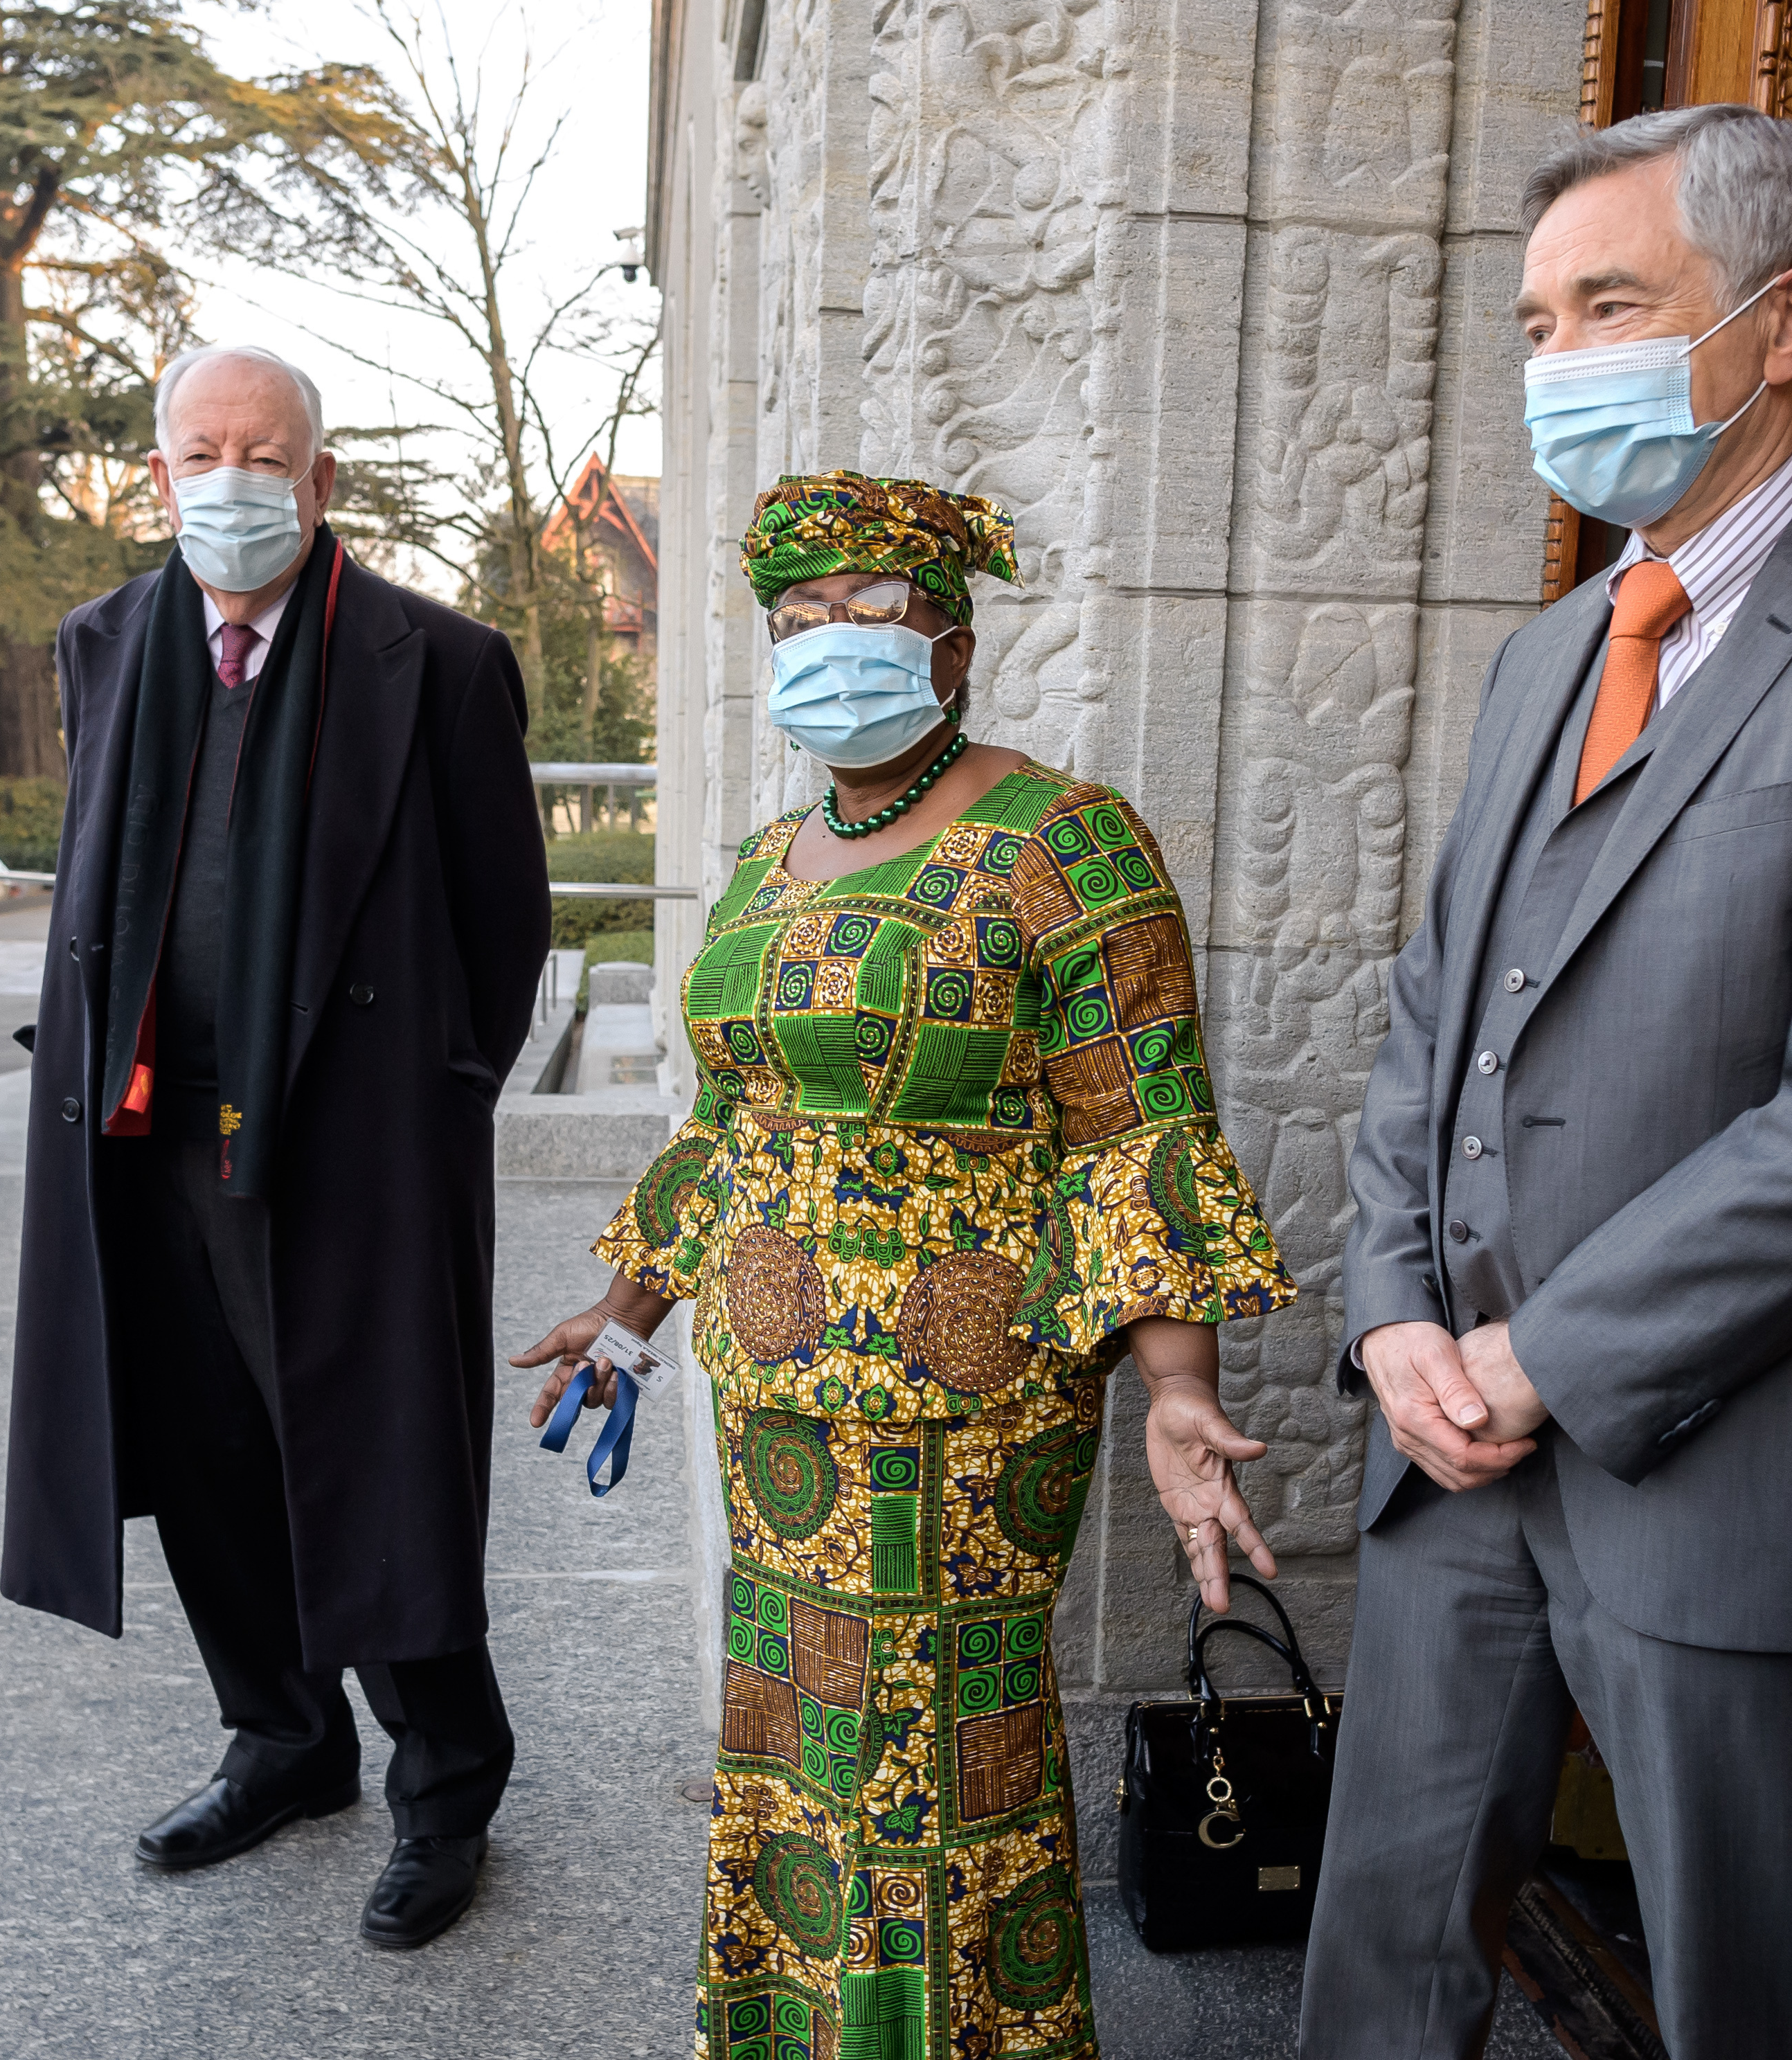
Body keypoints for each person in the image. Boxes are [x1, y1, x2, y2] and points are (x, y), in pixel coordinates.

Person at [1300, 106, 1792, 2057]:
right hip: (1450, 1450)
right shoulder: (1547, 650)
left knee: (1744, 2005)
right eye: (1528, 321)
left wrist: (1539, 1354)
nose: (1554, 359)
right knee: (1375, 1969)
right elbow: (1438, 1017)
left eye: (1606, 303)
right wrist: (1394, 1307)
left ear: (1778, 319)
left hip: (1740, 1456)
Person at [520, 471, 1296, 2060]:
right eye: (797, 622)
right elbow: (731, 1124)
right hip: (775, 1416)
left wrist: (1175, 1392)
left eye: (869, 615)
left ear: (951, 642)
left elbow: (1134, 1132)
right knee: (796, 1750)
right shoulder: (758, 865)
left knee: (939, 1767)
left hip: (968, 1411)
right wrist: (626, 1315)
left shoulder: (1064, 843)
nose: (831, 647)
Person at [0, 343, 550, 1950]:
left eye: (265, 453)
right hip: (148, 1141)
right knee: (210, 1468)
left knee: (376, 1476)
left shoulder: (436, 661)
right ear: (158, 470)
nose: (230, 480)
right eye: (200, 451)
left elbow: (501, 928)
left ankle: (445, 1785)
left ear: (318, 479)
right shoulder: (106, 643)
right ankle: (287, 1741)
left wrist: (438, 1103)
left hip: (349, 1151)